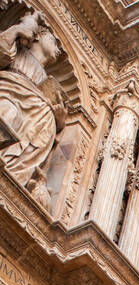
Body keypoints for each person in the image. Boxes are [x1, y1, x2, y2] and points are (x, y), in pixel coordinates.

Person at [0, 9, 65, 210]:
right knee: (8, 113)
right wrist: (21, 28)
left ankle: (14, 176)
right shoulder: (18, 53)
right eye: (55, 41)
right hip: (10, 95)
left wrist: (59, 119)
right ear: (38, 36)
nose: (60, 48)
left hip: (36, 130)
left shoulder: (47, 81)